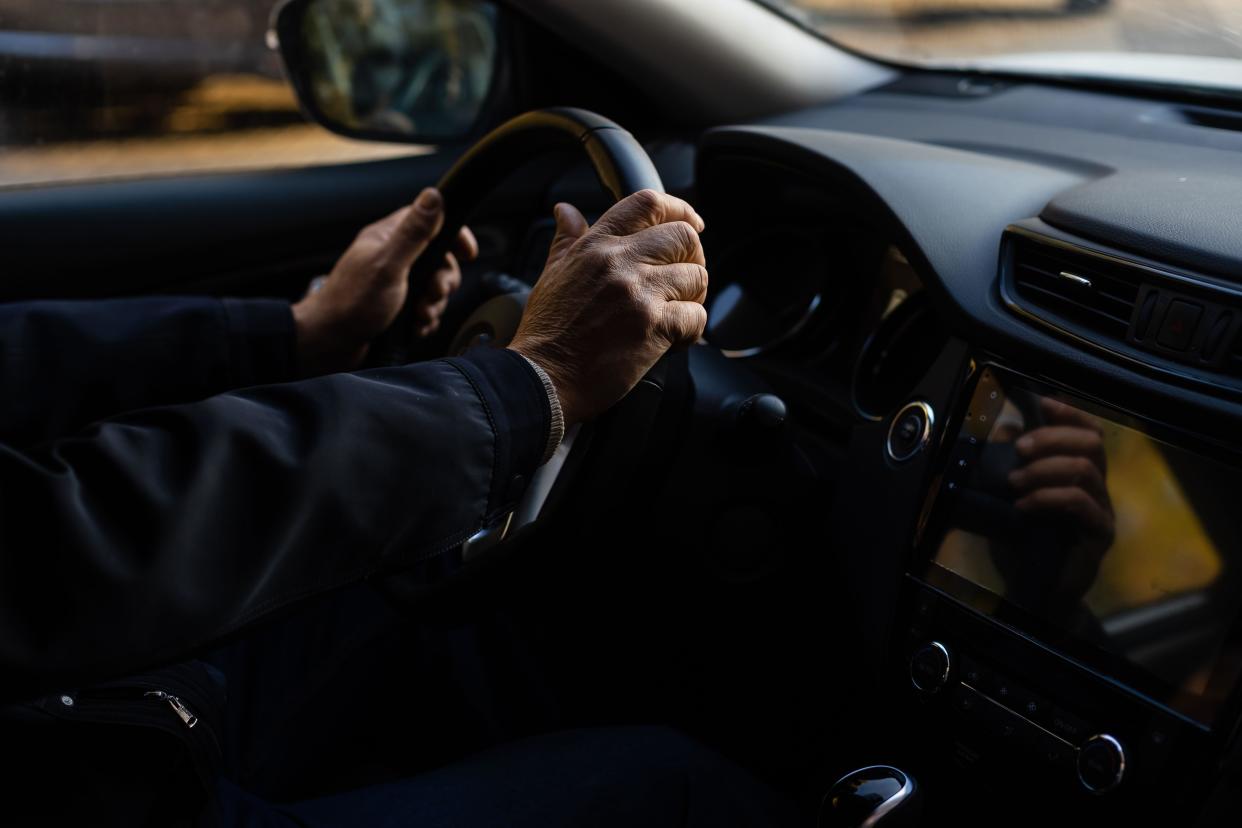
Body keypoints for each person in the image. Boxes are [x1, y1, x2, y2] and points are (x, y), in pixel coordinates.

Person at [0, 188, 796, 826]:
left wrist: (296, 335)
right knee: (677, 790)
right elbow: (51, 549)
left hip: (103, 712)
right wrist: (528, 384)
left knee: (452, 613)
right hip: (89, 778)